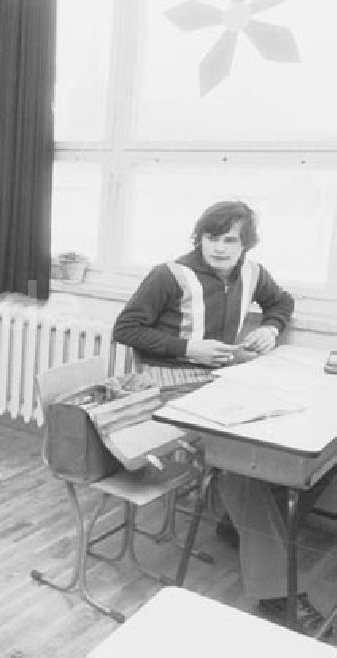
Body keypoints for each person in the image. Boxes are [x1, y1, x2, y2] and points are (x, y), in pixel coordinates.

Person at [112, 200, 332, 635]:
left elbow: (281, 302)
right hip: (168, 387)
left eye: (230, 239)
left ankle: (239, 526)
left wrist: (271, 326)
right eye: (211, 237)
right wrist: (189, 349)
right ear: (200, 238)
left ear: (244, 244)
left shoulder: (252, 271)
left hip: (221, 384)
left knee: (305, 451)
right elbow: (126, 329)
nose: (219, 247)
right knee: (239, 468)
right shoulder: (168, 274)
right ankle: (275, 592)